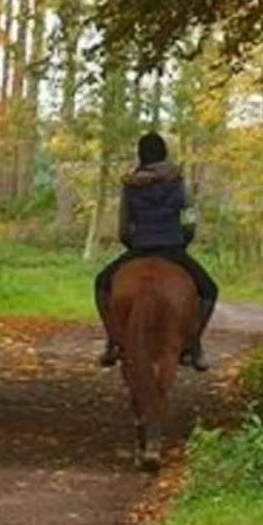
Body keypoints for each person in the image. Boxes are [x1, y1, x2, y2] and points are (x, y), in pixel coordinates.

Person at [96, 131, 218, 370]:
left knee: (101, 285)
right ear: (164, 153)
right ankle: (194, 346)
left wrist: (133, 245)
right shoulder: (177, 180)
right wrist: (185, 240)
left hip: (140, 247)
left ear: (140, 155)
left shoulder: (131, 185)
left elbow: (123, 226)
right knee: (210, 291)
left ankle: (112, 343)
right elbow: (189, 216)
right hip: (173, 247)